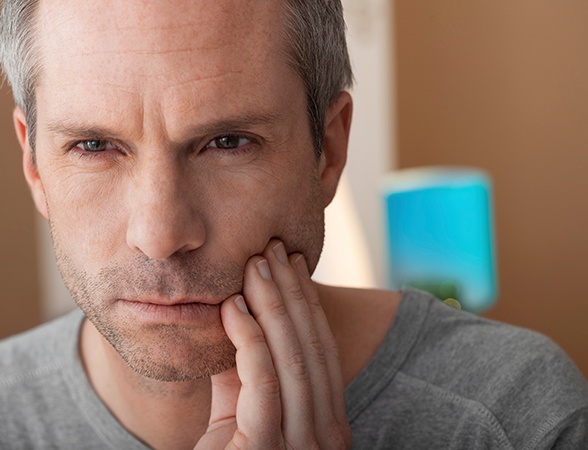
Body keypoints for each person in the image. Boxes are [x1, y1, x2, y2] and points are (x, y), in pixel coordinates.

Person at [0, 0, 586, 448]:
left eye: (228, 143)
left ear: (327, 150)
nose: (159, 235)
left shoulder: (515, 416)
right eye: (94, 146)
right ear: (33, 165)